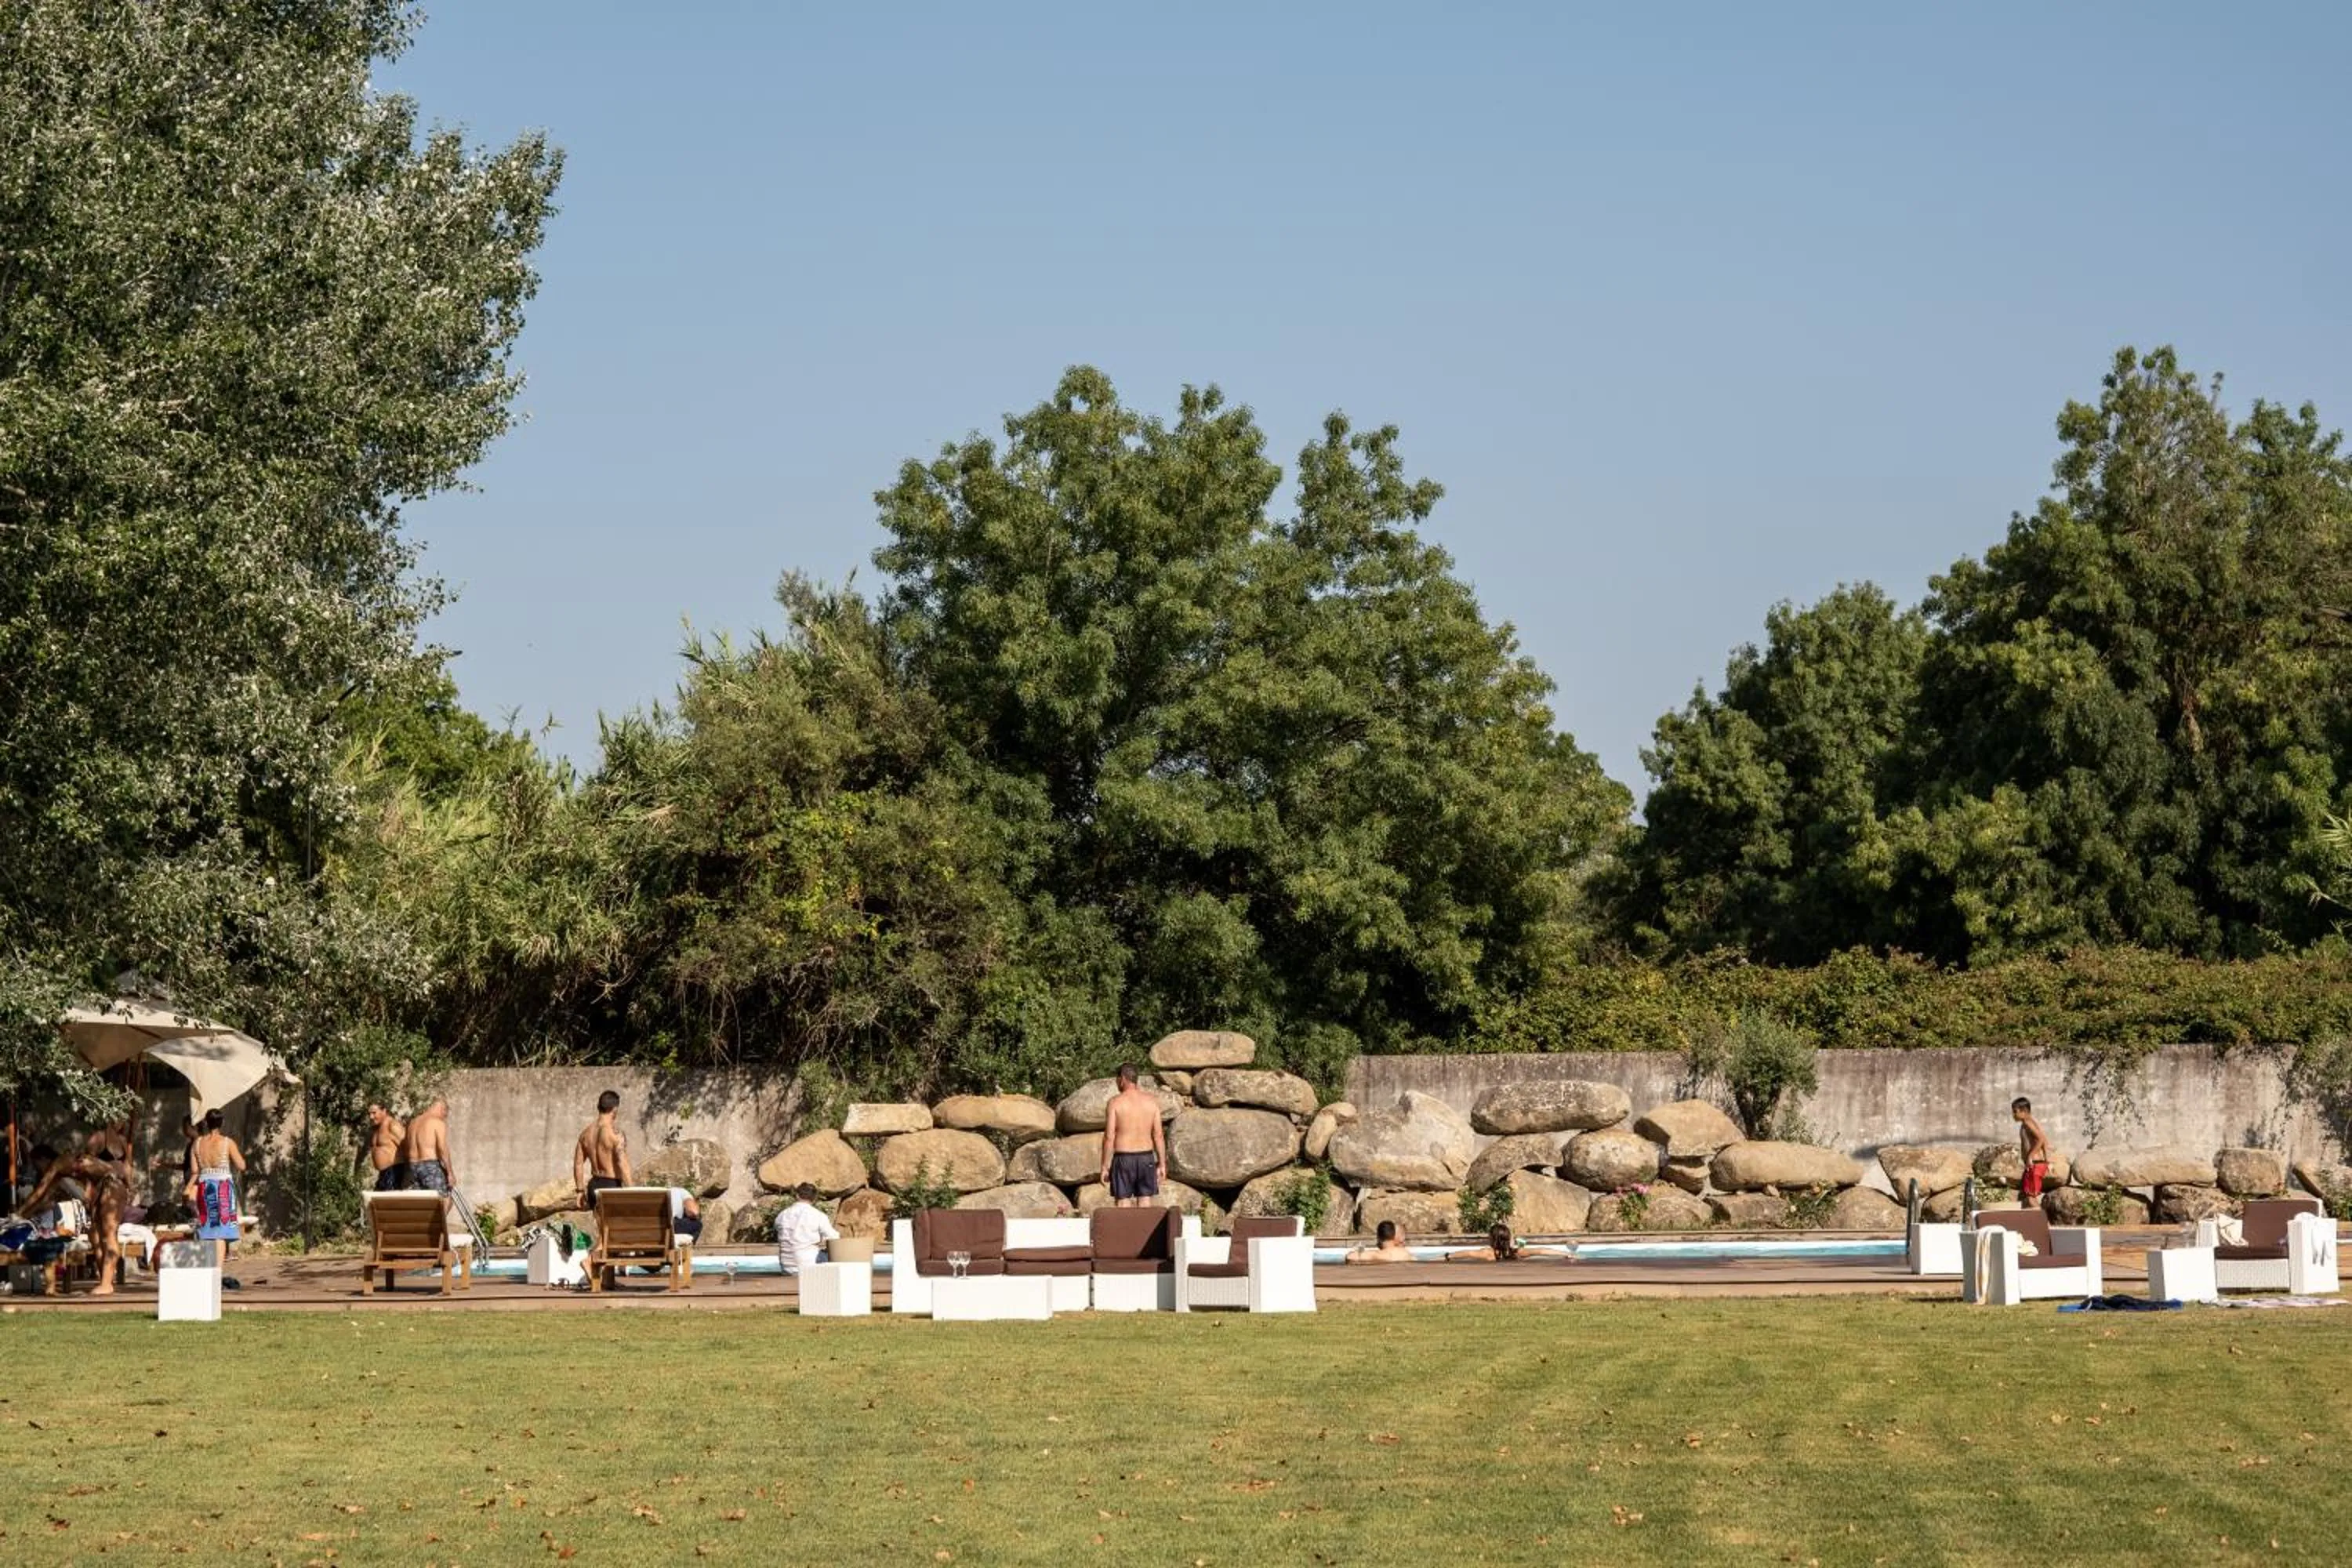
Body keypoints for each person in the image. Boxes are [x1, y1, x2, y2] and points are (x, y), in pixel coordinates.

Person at [186, 1109, 245, 1280]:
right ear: (222, 1123)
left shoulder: (196, 1144)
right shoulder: (227, 1142)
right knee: (221, 1231)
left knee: (207, 1226)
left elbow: (195, 1171)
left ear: (206, 1122)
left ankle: (207, 1269)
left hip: (205, 1187)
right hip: (223, 1188)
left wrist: (188, 1188)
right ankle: (217, 1273)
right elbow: (241, 1166)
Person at [1098, 1065, 1167, 1208]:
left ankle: (1125, 1231)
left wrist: (1105, 1166)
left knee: (1123, 1203)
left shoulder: (1115, 1103)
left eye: (1117, 1079)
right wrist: (1162, 1164)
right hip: (1146, 1158)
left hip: (1123, 1159)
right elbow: (1158, 1136)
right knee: (1145, 1202)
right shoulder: (1152, 1102)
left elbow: (1109, 1137)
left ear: (1122, 1079)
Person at [574, 1090, 631, 1209]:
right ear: (615, 1109)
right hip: (611, 1187)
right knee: (615, 1227)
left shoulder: (585, 1134)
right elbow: (622, 1162)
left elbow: (578, 1164)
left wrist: (580, 1190)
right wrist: (631, 1189)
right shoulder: (616, 1134)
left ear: (598, 1107)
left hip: (594, 1186)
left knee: (600, 1227)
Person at [773, 1182, 839, 1276]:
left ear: (797, 1196)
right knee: (834, 1253)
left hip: (786, 1267)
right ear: (815, 1199)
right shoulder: (818, 1215)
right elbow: (835, 1238)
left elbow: (778, 1230)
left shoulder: (782, 1215)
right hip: (809, 1266)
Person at [402, 1101, 455, 1194]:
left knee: (422, 1203)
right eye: (445, 1115)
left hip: (413, 1167)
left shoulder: (413, 1123)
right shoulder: (437, 1122)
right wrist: (450, 1173)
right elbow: (442, 1148)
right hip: (430, 1165)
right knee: (443, 1198)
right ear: (443, 1110)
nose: (444, 1118)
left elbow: (406, 1148)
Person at [1444, 1223, 1571, 1262]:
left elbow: (1469, 1254)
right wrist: (1565, 1254)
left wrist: (1447, 1256)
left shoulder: (1488, 1254)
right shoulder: (1517, 1253)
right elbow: (1542, 1251)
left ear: (1491, 1239)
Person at [2013, 1097, 2053, 1208]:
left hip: (2034, 1165)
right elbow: (2044, 1140)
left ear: (2024, 1111)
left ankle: (2044, 1224)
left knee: (2031, 1198)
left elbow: (2041, 1139)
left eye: (2015, 1112)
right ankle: (2034, 1223)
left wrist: (2030, 1156)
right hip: (2034, 1165)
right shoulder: (2031, 1122)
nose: (2013, 1115)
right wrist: (2047, 1159)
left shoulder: (2028, 1124)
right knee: (2026, 1198)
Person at [365, 1104, 410, 1191]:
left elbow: (407, 1146)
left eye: (374, 1113)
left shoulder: (392, 1125)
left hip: (395, 1171)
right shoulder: (376, 1129)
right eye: (369, 1114)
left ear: (384, 1111)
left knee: (391, 1203)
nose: (371, 1117)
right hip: (383, 1174)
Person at [1344, 1221, 1414, 1264]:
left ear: (1379, 1238)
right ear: (1394, 1236)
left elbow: (1350, 1256)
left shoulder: (1376, 1255)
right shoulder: (1406, 1254)